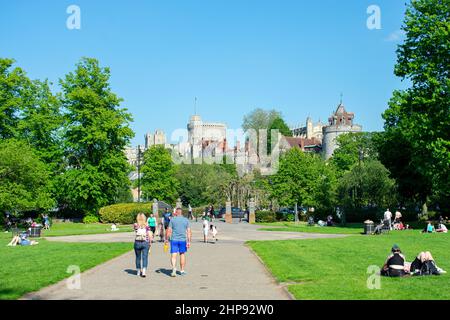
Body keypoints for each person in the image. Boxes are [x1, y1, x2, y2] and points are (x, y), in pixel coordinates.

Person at [165, 208, 191, 277]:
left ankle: (174, 268)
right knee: (182, 254)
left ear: (176, 213)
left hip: (174, 240)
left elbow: (169, 231)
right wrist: (188, 241)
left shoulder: (172, 220)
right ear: (181, 213)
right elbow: (188, 231)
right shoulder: (186, 220)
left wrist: (167, 239)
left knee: (173, 255)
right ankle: (182, 271)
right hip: (183, 240)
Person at [133, 213, 152, 278]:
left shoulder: (136, 225)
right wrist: (150, 243)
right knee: (145, 257)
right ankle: (144, 271)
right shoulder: (147, 225)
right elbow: (150, 235)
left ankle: (138, 271)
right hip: (145, 242)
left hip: (137, 242)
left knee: (138, 257)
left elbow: (135, 231)